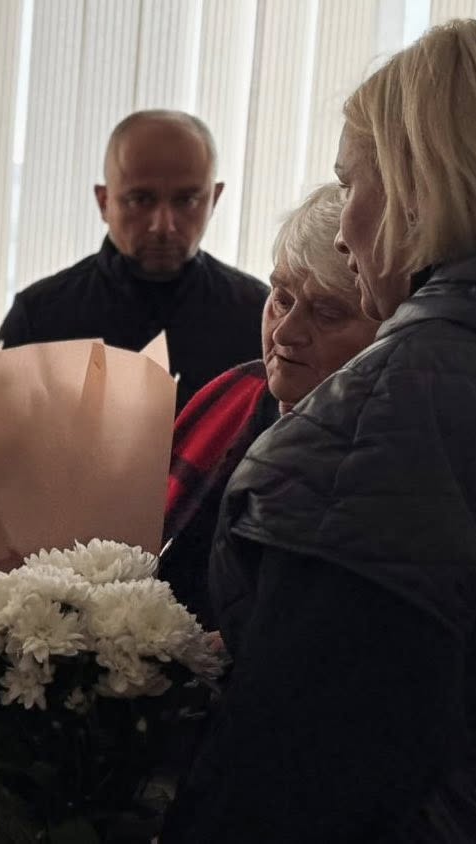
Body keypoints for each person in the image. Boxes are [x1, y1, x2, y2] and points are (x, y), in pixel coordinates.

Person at [164, 19, 476, 842]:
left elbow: (299, 776)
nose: (342, 230)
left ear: (416, 189)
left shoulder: (392, 410)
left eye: (352, 183)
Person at [160, 183, 377, 625]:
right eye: (281, 298)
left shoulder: (382, 454)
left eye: (327, 314)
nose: (284, 332)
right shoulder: (233, 393)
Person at [0, 110, 268, 412]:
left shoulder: (258, 318)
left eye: (187, 200)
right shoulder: (39, 318)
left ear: (214, 200)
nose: (163, 226)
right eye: (141, 200)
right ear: (104, 202)